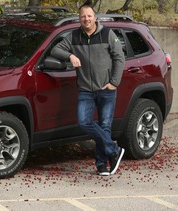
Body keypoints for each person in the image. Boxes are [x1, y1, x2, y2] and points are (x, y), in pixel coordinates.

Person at [51, 5, 125, 176]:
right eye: (83, 16)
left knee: (104, 126)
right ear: (80, 18)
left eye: (89, 16)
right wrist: (70, 56)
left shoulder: (107, 34)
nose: (86, 19)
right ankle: (114, 150)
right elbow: (56, 49)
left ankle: (101, 164)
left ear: (95, 17)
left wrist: (114, 82)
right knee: (84, 122)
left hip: (106, 88)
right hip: (85, 90)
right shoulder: (74, 36)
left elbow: (119, 58)